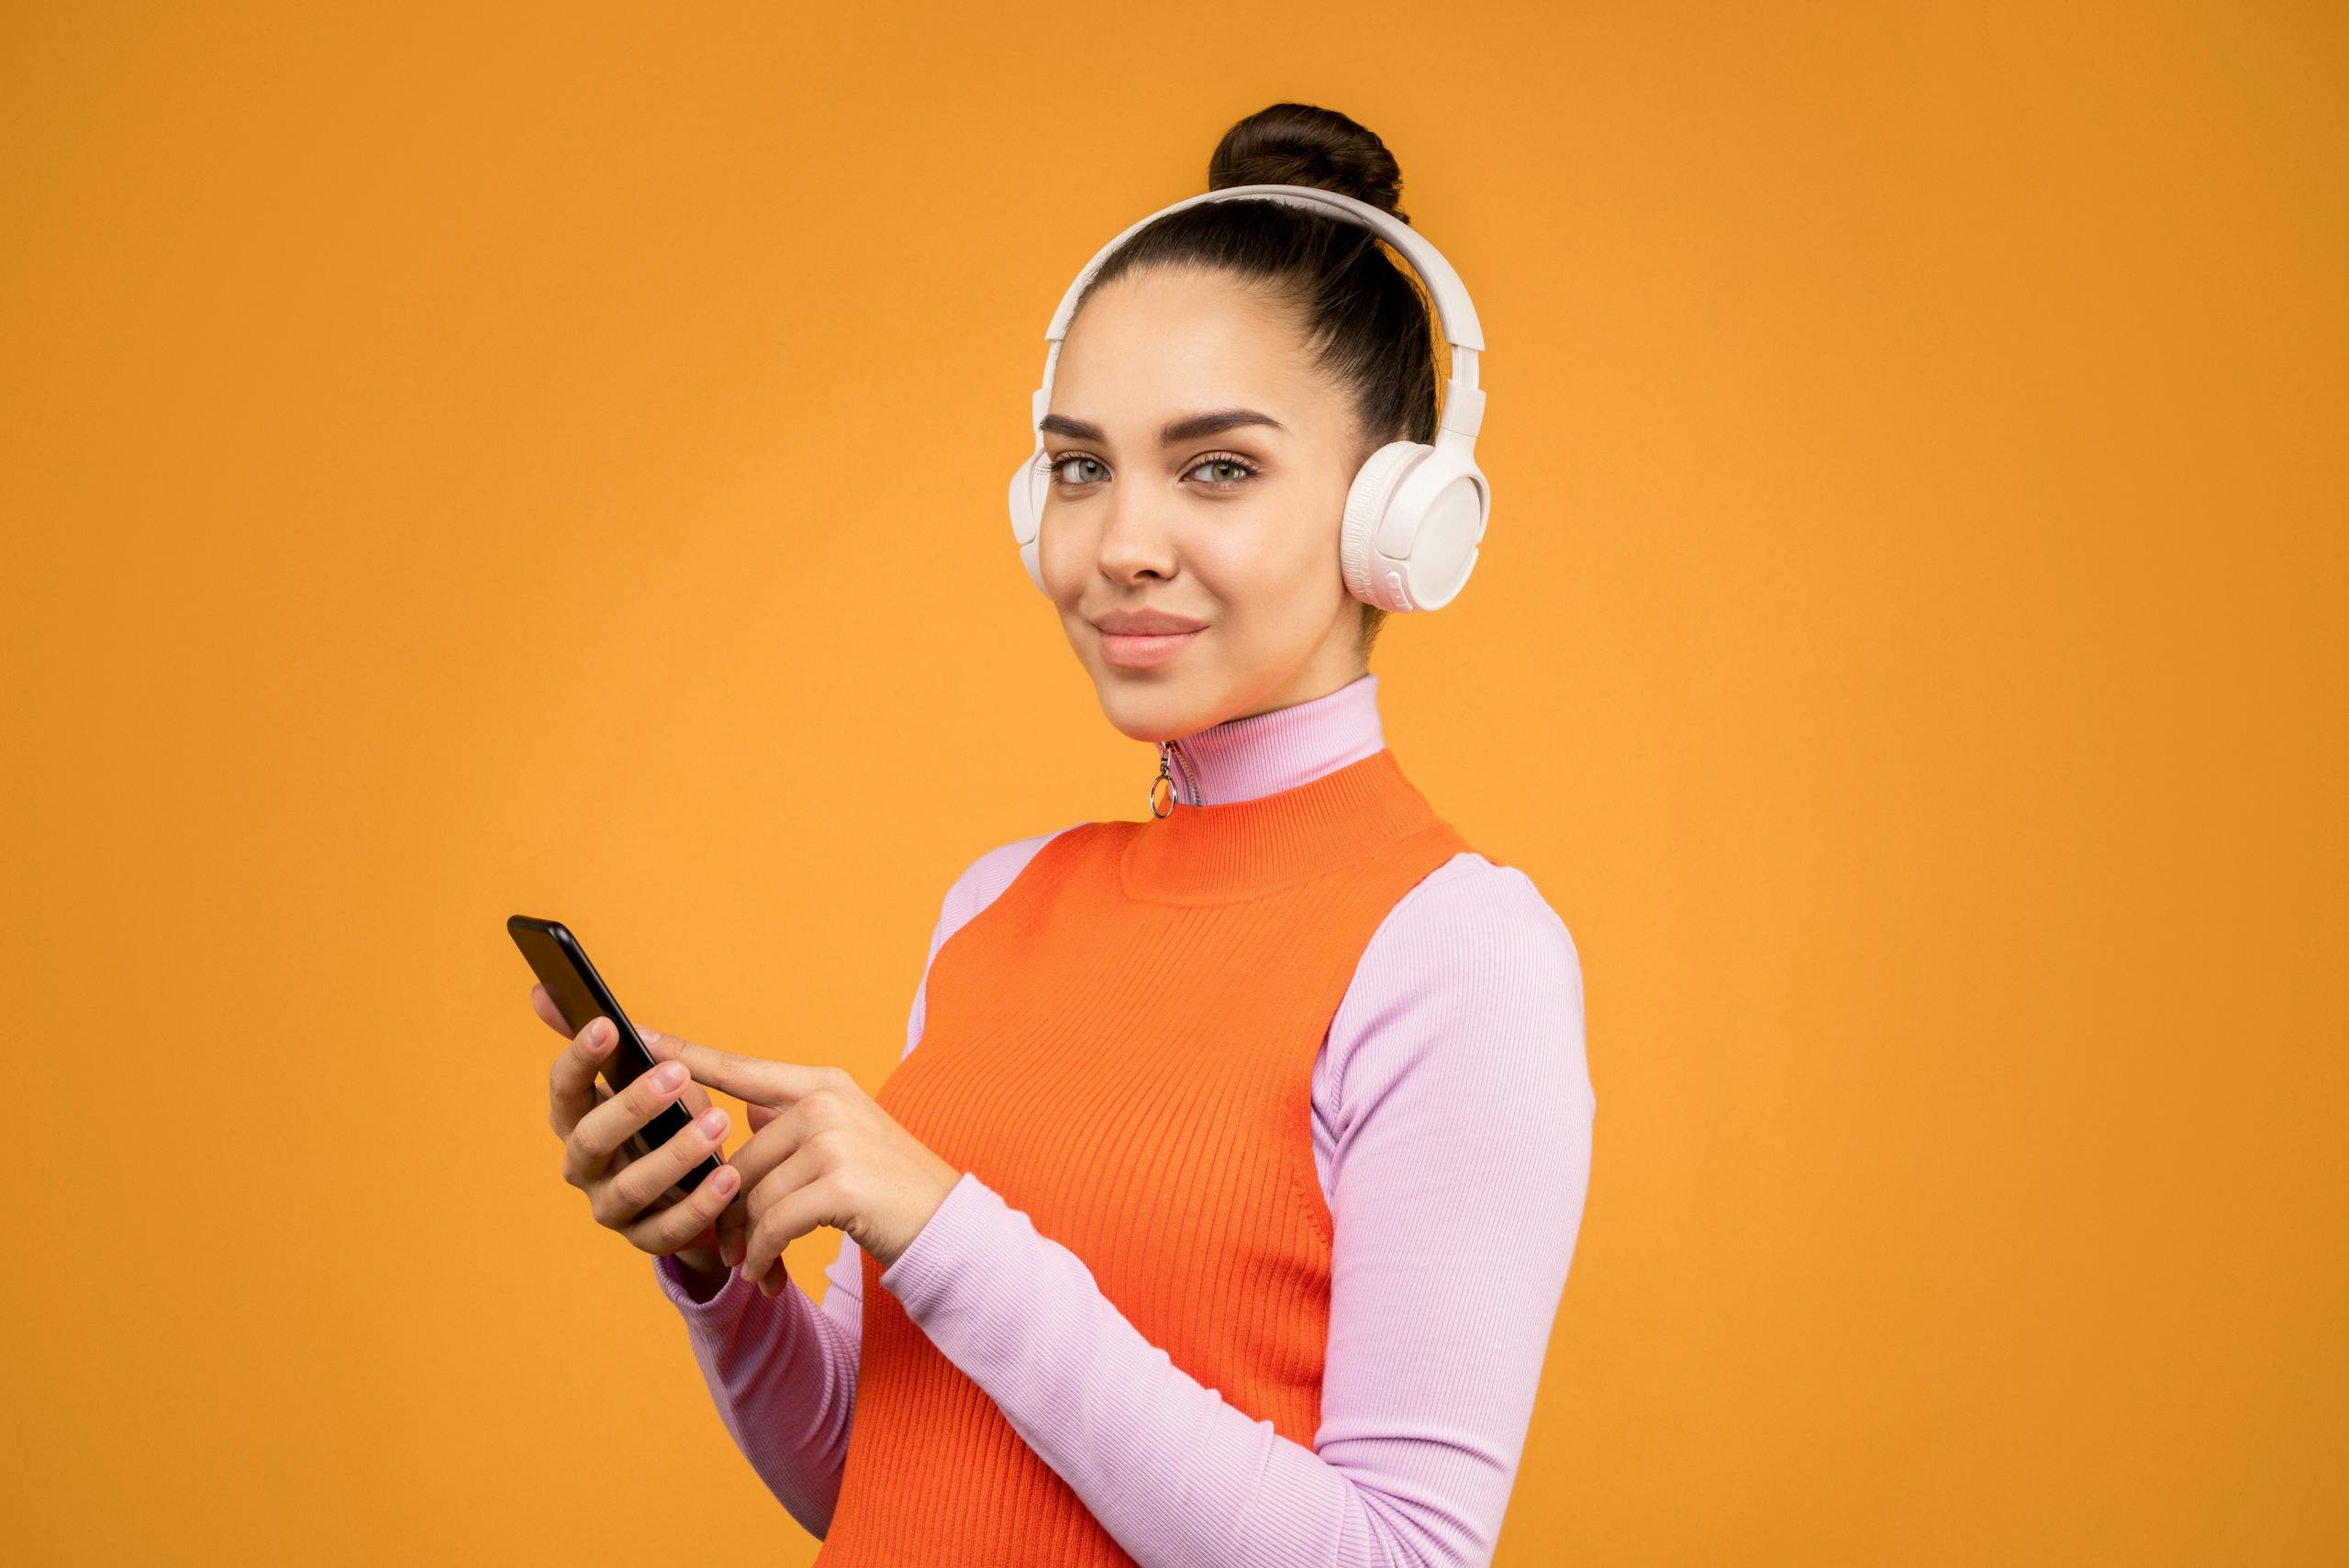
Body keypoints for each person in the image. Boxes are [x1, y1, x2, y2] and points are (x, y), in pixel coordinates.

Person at [535, 101, 1596, 1568]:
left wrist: (948, 1227)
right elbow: (878, 1476)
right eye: (1083, 467)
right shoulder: (997, 904)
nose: (1119, 545)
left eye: (1216, 466)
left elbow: (1399, 1557)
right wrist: (729, 1280)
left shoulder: (1458, 949)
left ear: (1394, 517)